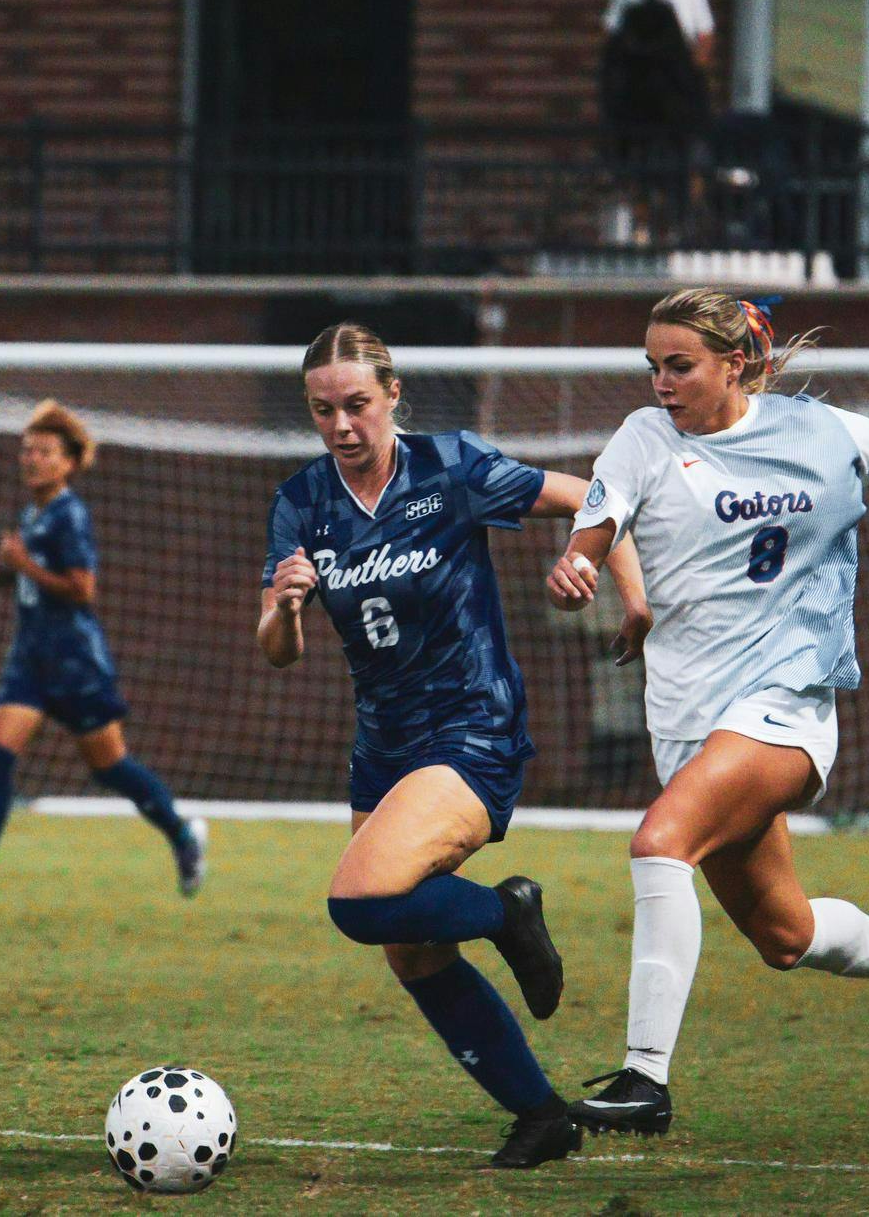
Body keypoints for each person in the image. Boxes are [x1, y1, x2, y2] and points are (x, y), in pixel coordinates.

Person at [545, 289, 869, 1139]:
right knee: (786, 934)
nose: (662, 383)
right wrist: (577, 571)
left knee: (659, 842)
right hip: (689, 722)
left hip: (788, 708)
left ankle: (644, 1080)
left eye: (681, 365)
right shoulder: (641, 440)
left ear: (733, 363)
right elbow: (591, 533)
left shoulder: (818, 431)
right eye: (653, 366)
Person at [258, 323, 647, 1170]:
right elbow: (277, 651)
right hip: (384, 748)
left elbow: (596, 497)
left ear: (394, 395)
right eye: (323, 410)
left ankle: (507, 910)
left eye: (357, 404)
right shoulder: (300, 501)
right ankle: (543, 1116)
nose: (341, 426)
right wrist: (284, 608)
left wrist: (624, 591)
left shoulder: (451, 467)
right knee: (409, 946)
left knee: (357, 903)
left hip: (472, 727)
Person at [0, 400, 205, 907]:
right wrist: (5, 573)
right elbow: (36, 575)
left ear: (69, 462)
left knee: (109, 766)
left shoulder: (70, 514)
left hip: (76, 662)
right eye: (26, 450)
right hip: (31, 659)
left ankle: (183, 834)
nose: (31, 459)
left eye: (44, 452)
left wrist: (23, 566)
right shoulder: (33, 513)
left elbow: (82, 589)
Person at [597, 0, 713, 246]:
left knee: (685, 158)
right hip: (635, 99)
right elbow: (611, 38)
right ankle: (639, 227)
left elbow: (704, 40)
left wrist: (686, 73)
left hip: (676, 94)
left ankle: (684, 227)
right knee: (633, 164)